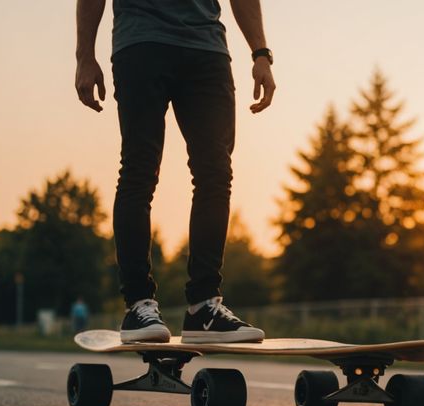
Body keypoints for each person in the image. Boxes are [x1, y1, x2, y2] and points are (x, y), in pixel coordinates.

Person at [74, 0, 274, 344]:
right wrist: (84, 55)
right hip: (141, 43)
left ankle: (204, 307)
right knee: (139, 171)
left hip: (206, 48)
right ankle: (138, 305)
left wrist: (260, 53)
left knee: (215, 173)